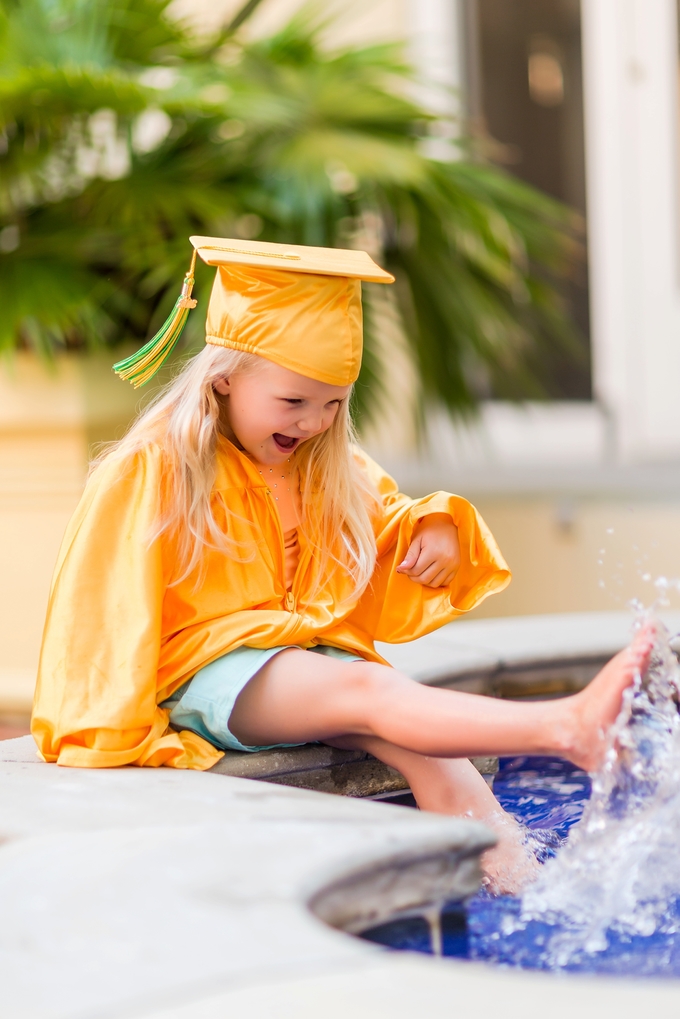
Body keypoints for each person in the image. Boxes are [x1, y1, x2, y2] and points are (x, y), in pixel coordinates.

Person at [31, 237, 654, 891]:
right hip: (203, 672)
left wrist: (435, 528)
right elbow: (97, 598)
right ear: (224, 379)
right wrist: (104, 720)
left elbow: (390, 513)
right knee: (370, 690)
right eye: (294, 401)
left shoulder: (322, 465)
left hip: (296, 661)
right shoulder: (157, 467)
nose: (313, 422)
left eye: (333, 404)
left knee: (438, 758)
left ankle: (520, 888)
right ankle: (563, 725)